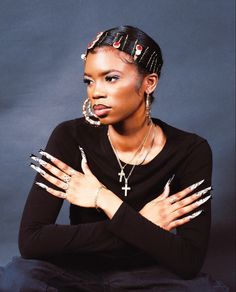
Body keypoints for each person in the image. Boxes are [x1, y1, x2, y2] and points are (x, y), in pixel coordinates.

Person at [0, 25, 228, 291]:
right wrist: (143, 225)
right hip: (76, 271)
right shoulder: (70, 137)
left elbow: (188, 260)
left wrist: (102, 197)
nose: (96, 91)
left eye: (110, 78)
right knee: (17, 279)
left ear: (148, 83)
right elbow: (32, 241)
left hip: (148, 275)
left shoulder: (191, 150)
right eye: (89, 80)